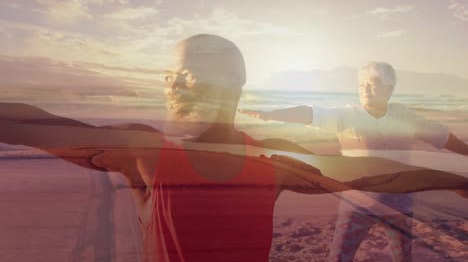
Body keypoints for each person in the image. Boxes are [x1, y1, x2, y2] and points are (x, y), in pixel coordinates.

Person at [1, 38, 467, 262]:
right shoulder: (142, 149)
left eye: (196, 74)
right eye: (172, 76)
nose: (178, 87)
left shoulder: (270, 161)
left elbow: (369, 172)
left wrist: (458, 180)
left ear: (236, 84)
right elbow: (31, 124)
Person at [239, 61, 468, 261]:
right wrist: (271, 114)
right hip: (356, 206)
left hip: (398, 207)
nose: (365, 89)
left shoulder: (404, 117)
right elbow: (310, 114)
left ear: (388, 90)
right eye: (361, 85)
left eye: (372, 84)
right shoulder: (347, 116)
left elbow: (442, 136)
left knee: (402, 258)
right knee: (339, 258)